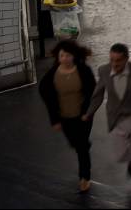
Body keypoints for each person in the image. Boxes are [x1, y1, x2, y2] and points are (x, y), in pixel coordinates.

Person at [83, 43, 131, 202]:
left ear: (126, 59)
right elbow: (98, 95)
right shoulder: (104, 71)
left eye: (118, 61)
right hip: (117, 119)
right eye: (111, 60)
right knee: (120, 155)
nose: (114, 64)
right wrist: (89, 113)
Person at [38, 40, 96, 192]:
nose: (64, 59)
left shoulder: (83, 70)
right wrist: (54, 119)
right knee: (75, 142)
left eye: (68, 55)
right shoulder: (53, 73)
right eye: (62, 55)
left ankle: (84, 177)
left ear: (74, 56)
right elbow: (44, 91)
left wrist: (87, 112)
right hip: (64, 116)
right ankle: (83, 145)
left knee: (81, 147)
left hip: (83, 116)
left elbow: (92, 91)